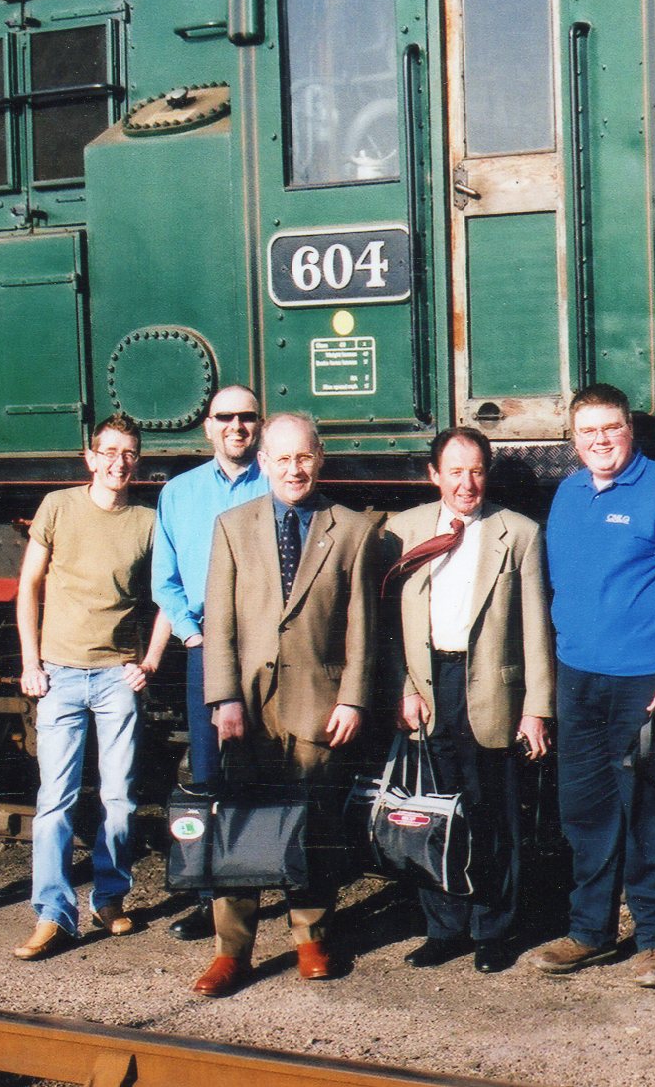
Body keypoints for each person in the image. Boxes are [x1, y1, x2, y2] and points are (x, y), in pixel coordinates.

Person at [528, 383, 655, 988]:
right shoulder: (567, 495)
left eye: (611, 428)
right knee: (584, 808)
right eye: (588, 431)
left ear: (629, 432)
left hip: (648, 683)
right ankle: (589, 932)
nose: (600, 440)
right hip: (579, 679)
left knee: (650, 810)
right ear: (574, 439)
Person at [191, 412, 379, 996]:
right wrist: (222, 697)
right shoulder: (232, 526)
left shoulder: (351, 528)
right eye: (282, 459)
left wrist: (353, 698)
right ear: (264, 462)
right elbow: (217, 621)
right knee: (240, 826)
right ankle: (232, 951)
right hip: (246, 705)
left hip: (319, 704)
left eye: (304, 458)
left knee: (315, 825)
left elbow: (361, 627)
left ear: (319, 458)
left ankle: (312, 937)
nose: (294, 469)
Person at [381, 427, 553, 974]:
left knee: (490, 815)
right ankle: (443, 927)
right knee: (433, 812)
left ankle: (493, 930)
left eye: (476, 470)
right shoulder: (401, 531)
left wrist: (536, 707)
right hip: (429, 687)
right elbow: (387, 627)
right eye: (454, 471)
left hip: (491, 691)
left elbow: (536, 631)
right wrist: (403, 690)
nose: (466, 483)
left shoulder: (517, 533)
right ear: (434, 476)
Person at [12, 412, 171, 961]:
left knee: (120, 800)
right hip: (57, 674)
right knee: (54, 801)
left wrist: (148, 663)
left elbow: (169, 597)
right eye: (109, 452)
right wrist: (30, 662)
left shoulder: (149, 522)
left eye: (128, 454)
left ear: (136, 462)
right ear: (90, 457)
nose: (118, 463)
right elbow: (28, 585)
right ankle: (52, 914)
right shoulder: (58, 506)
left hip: (116, 680)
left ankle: (110, 899)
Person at [152, 385, 270, 941]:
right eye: (226, 417)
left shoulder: (278, 481)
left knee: (271, 770)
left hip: (268, 649)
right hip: (207, 647)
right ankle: (210, 900)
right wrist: (191, 634)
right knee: (207, 775)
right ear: (207, 426)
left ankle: (275, 880)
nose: (237, 427)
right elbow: (165, 580)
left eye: (247, 417)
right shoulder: (178, 494)